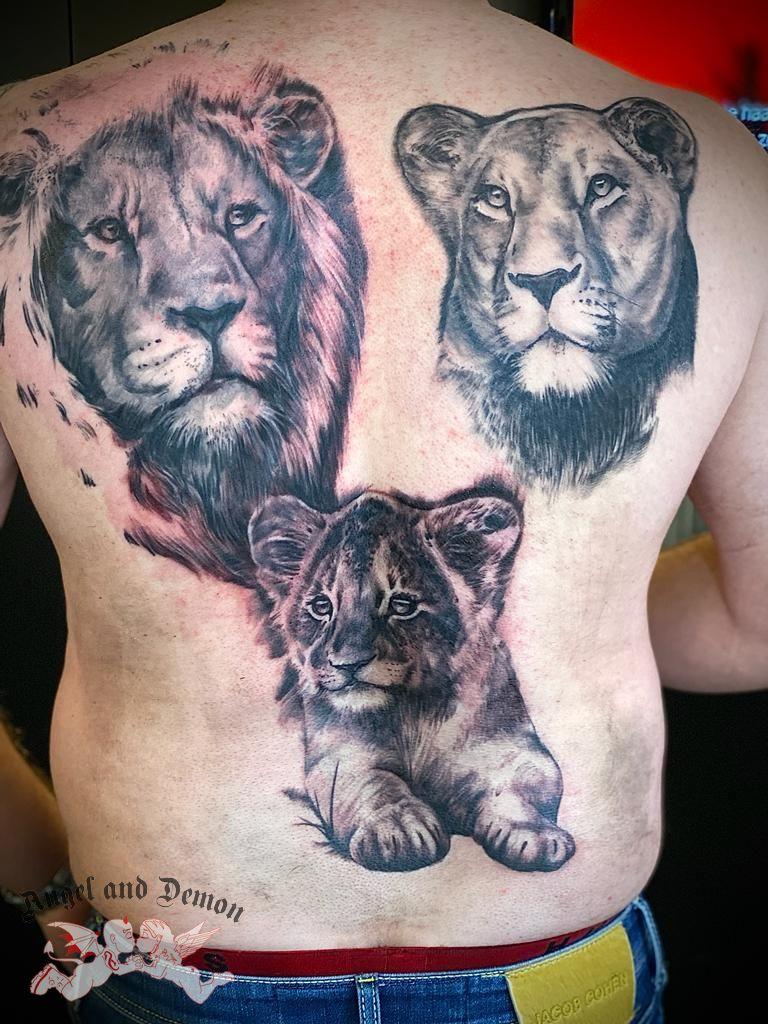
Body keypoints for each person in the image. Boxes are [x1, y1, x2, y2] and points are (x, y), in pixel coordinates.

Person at [0, 1, 766, 1021]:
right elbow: (757, 621)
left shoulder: (19, 133)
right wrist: (572, 615)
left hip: (178, 971)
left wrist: (50, 881)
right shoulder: (735, 173)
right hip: (556, 979)